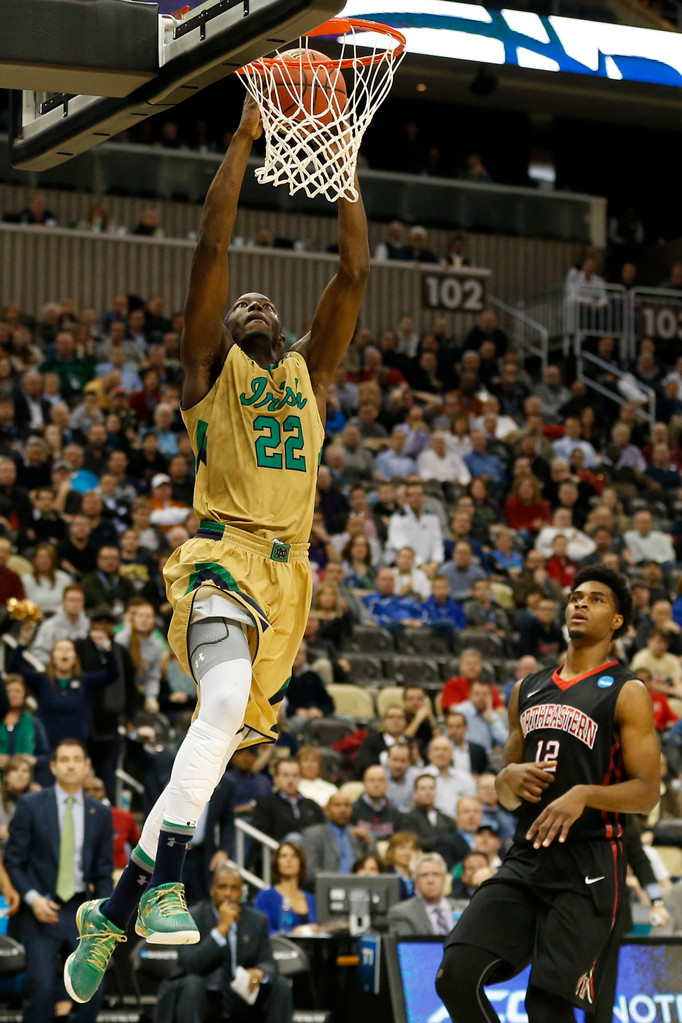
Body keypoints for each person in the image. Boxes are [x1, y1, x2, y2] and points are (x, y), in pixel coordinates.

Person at [64, 92, 369, 1003]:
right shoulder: (208, 374)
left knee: (220, 730)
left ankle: (120, 903)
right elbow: (211, 251)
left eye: (263, 299)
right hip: (221, 557)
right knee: (225, 700)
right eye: (239, 305)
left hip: (287, 581)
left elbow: (353, 271)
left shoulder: (311, 374)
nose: (251, 298)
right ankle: (161, 880)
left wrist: (339, 156)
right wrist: (244, 139)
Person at [435, 565, 660, 1022]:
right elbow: (507, 790)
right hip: (528, 858)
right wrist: (506, 780)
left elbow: (647, 793)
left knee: (547, 1008)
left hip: (591, 862)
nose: (580, 603)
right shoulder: (528, 688)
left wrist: (584, 795)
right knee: (455, 974)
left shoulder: (626, 690)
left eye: (596, 599)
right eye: (576, 596)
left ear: (617, 621)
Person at [5, 739, 114, 1023]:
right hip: (40, 908)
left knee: (91, 990)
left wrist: (102, 916)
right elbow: (13, 860)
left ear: (87, 766)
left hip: (81, 911)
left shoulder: (100, 813)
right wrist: (32, 898)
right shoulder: (31, 805)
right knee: (39, 988)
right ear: (53, 767)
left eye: (77, 759)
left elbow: (103, 871)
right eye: (63, 759)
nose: (70, 765)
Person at [156, 864, 292, 1023]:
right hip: (204, 996)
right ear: (212, 890)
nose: (228, 894)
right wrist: (222, 929)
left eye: (234, 888)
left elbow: (269, 962)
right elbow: (189, 964)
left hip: (241, 997)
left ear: (242, 893)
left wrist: (260, 972)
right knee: (192, 983)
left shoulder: (257, 921)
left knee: (280, 985)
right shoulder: (191, 917)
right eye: (222, 887)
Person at [254, 841, 317, 934]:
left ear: (301, 863)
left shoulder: (311, 899)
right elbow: (259, 933)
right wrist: (293, 933)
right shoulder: (265, 897)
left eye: (294, 856)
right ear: (277, 863)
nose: (289, 860)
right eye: (284, 856)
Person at [387, 852, 456, 936]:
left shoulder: (464, 909)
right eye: (424, 875)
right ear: (416, 882)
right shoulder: (402, 913)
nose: (430, 880)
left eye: (436, 874)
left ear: (444, 879)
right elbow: (408, 947)